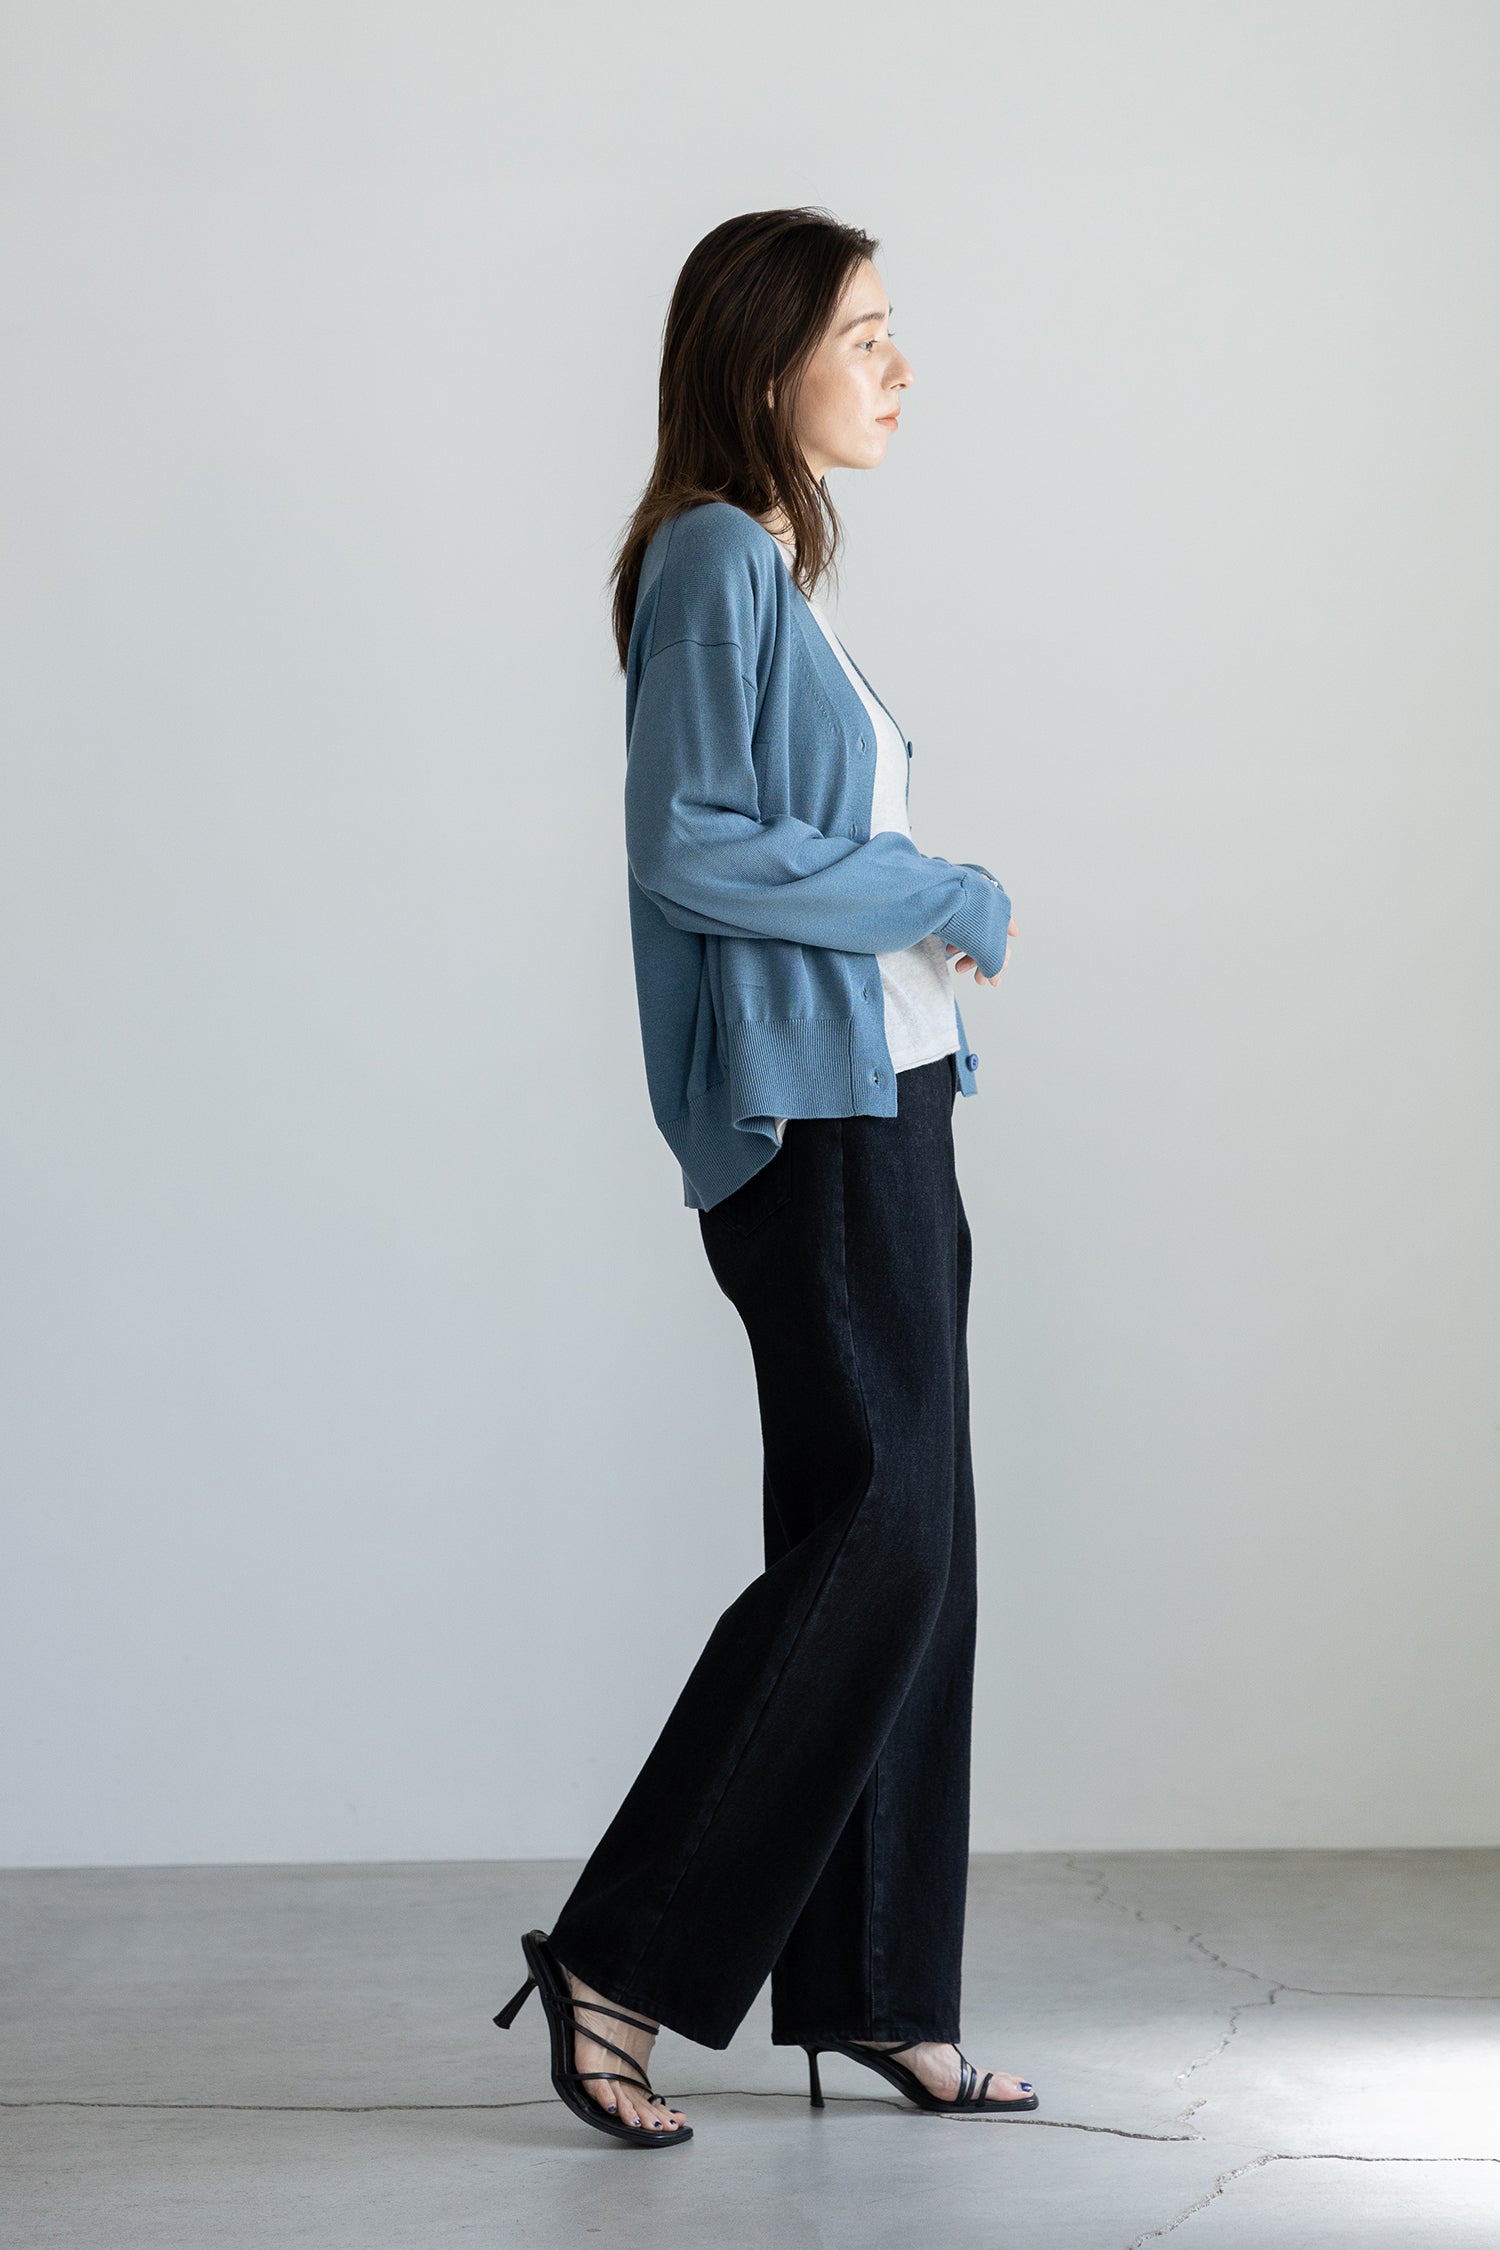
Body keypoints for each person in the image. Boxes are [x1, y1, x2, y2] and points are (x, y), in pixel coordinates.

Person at [491, 207, 1034, 2147]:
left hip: (893, 1102)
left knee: (915, 1553)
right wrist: (938, 885)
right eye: (863, 333)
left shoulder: (774, 570)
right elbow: (693, 845)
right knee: (881, 1539)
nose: (898, 368)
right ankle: (618, 1959)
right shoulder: (713, 554)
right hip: (818, 1126)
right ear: (763, 355)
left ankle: (881, 1988)